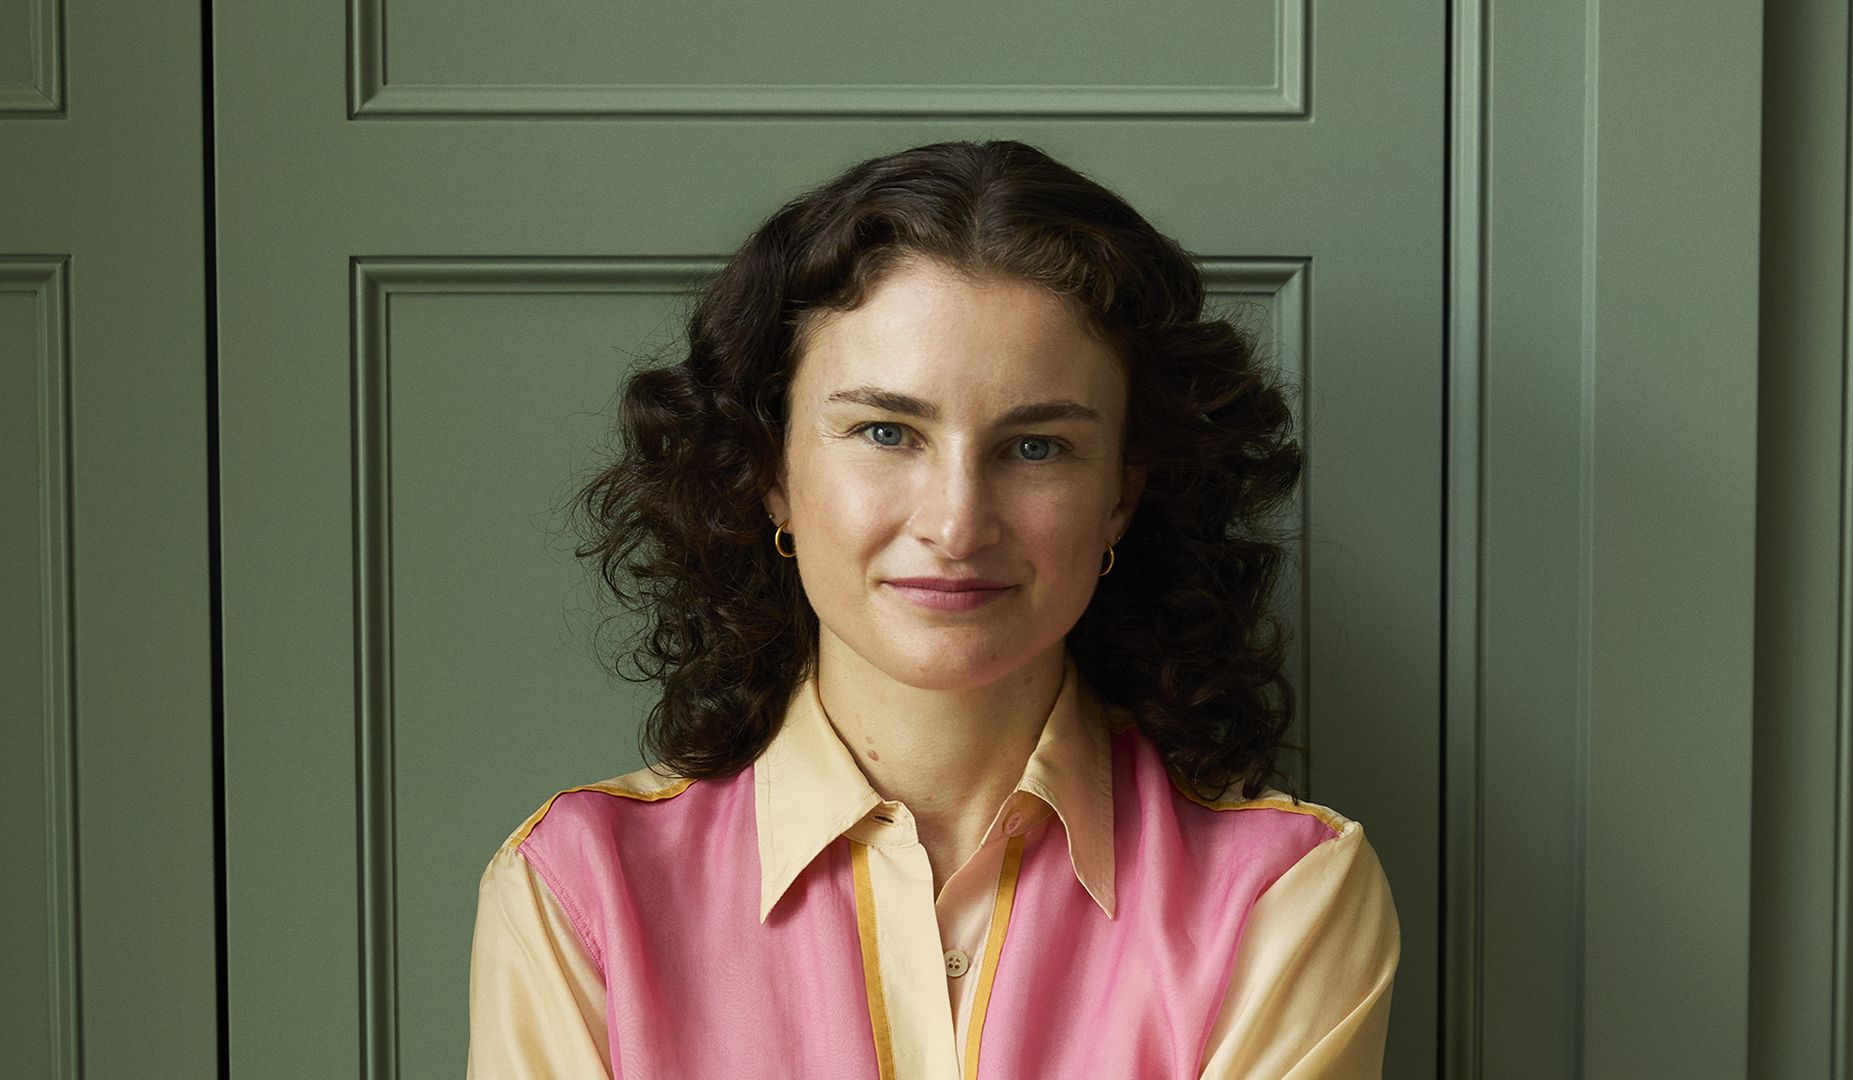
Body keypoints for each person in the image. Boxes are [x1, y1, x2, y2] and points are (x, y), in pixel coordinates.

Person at [466, 139, 1398, 1079]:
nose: (957, 524)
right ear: (772, 476)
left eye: (1036, 448)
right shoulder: (580, 890)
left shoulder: (1281, 891)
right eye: (885, 432)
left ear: (1121, 494)